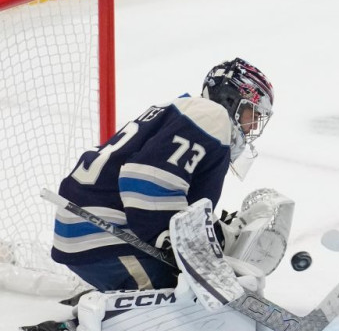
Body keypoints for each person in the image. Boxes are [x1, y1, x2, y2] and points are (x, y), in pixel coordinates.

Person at [50, 57, 274, 292]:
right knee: (185, 306)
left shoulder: (190, 111)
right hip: (104, 235)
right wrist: (171, 240)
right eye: (253, 113)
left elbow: (168, 189)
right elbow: (145, 180)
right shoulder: (213, 116)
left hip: (90, 229)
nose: (253, 125)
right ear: (231, 99)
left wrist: (213, 231)